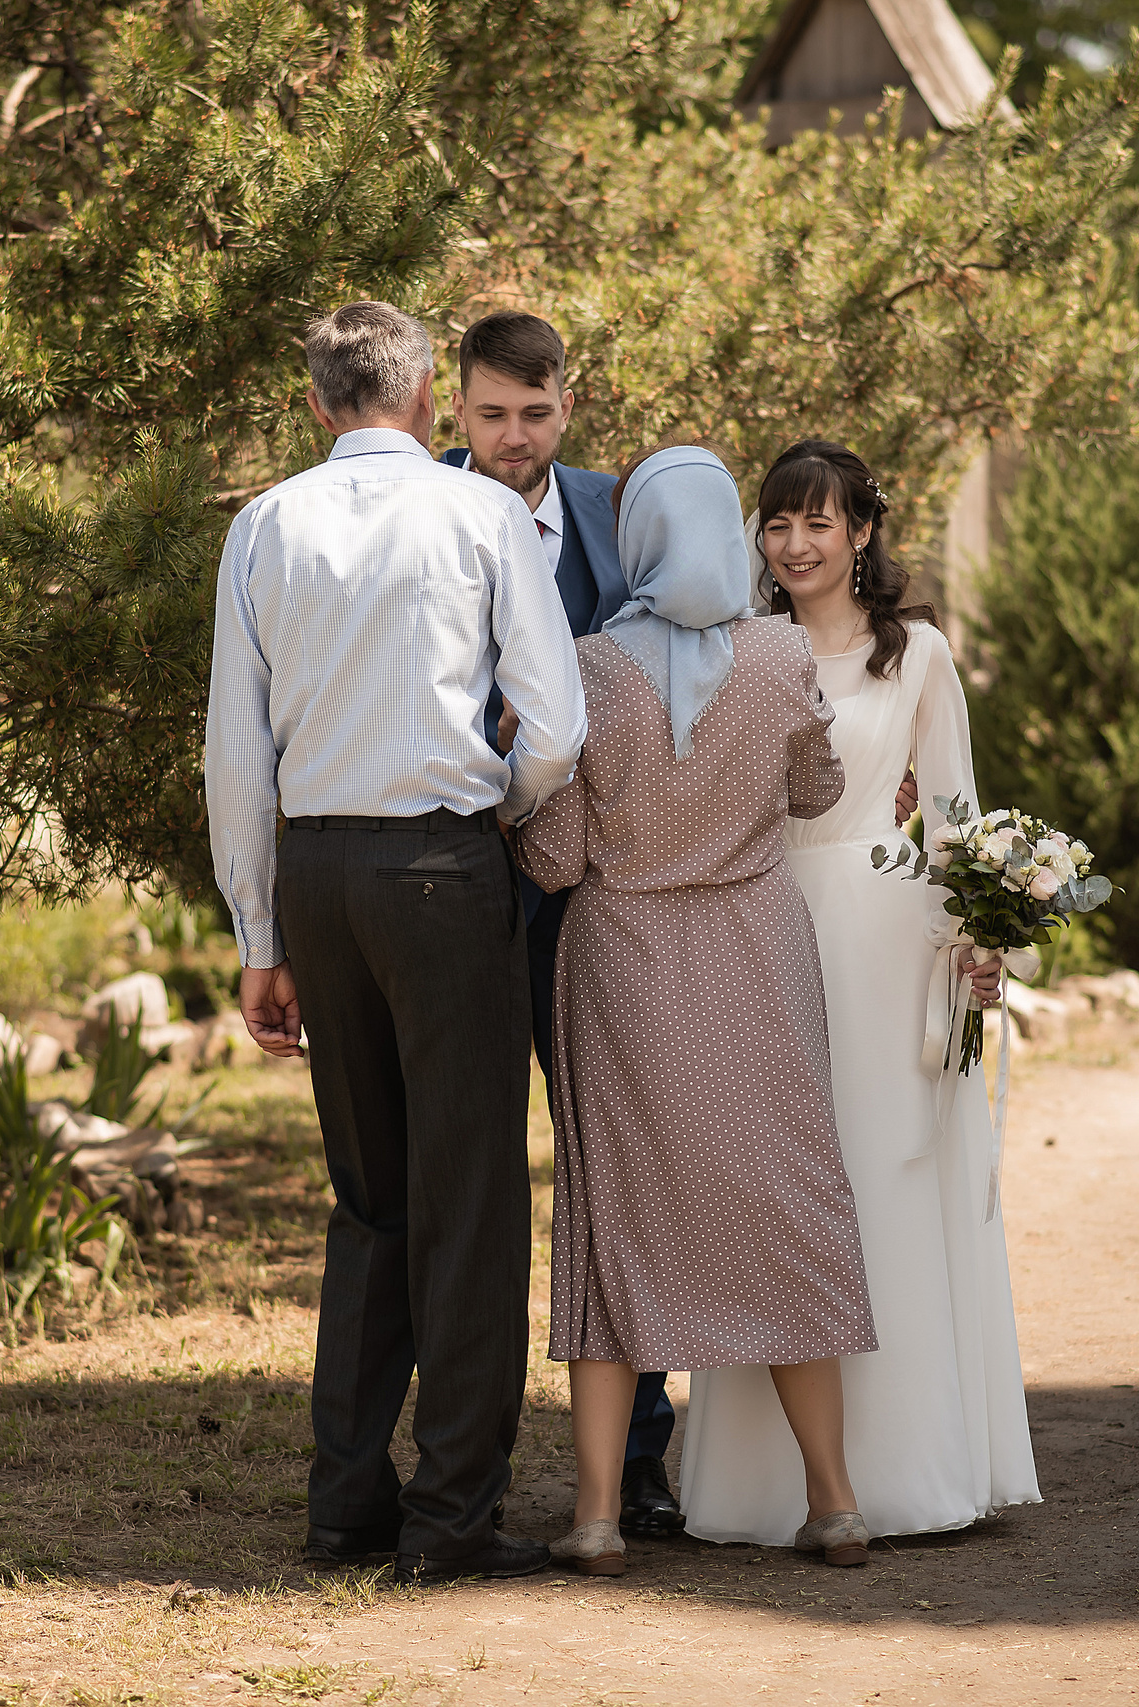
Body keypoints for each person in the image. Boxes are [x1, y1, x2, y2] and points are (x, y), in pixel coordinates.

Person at [204, 300, 586, 1584]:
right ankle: (452, 1522)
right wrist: (502, 812)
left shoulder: (263, 524)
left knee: (368, 1199)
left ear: (318, 406)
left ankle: (344, 1509)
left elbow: (234, 757)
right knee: (470, 1203)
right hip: (441, 863)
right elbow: (555, 725)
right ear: (430, 400)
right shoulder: (479, 516)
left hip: (314, 871)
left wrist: (260, 934)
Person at [513, 443, 880, 1578]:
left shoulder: (587, 668)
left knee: (614, 1221)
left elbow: (558, 857)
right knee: (787, 1202)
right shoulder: (776, 653)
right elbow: (814, 789)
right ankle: (833, 1503)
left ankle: (594, 1517)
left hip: (621, 961)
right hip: (755, 951)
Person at [679, 439, 1039, 1546]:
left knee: (887, 1176)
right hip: (759, 924)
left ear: (862, 532)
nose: (794, 546)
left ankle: (908, 1470)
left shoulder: (918, 653)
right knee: (779, 1185)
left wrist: (986, 943)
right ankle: (762, 1481)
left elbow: (959, 823)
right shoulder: (736, 650)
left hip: (890, 936)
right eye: (776, 525)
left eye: (818, 524)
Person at [438, 310, 684, 1540]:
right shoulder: (417, 512)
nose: (513, 439)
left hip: (600, 906)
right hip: (451, 891)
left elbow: (699, 662)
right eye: (491, 416)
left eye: (535, 415)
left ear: (566, 408)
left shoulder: (616, 514)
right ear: (455, 408)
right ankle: (459, 1469)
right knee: (469, 1176)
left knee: (621, 1171)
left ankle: (640, 1457)